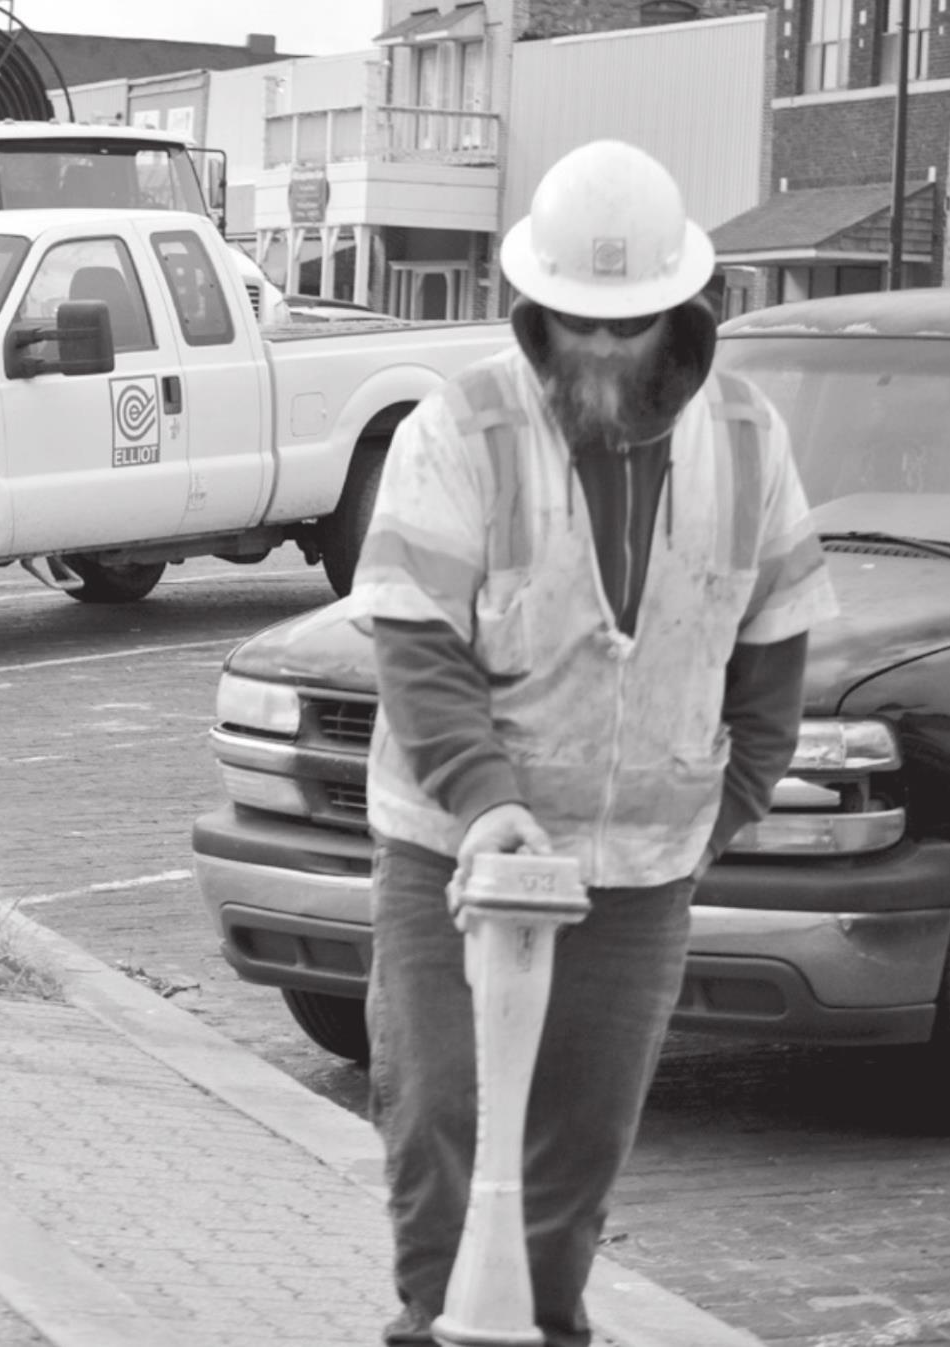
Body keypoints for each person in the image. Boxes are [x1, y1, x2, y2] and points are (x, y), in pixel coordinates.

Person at [349, 139, 838, 1347]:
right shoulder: (458, 429)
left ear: (677, 311)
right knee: (442, 1118)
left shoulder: (745, 437)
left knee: (573, 1150)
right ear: (534, 306)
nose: (602, 349)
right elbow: (415, 645)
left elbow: (770, 657)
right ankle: (433, 1322)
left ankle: (547, 1324)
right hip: (456, 858)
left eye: (626, 326)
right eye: (578, 323)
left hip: (634, 879)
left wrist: (716, 810)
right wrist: (485, 803)